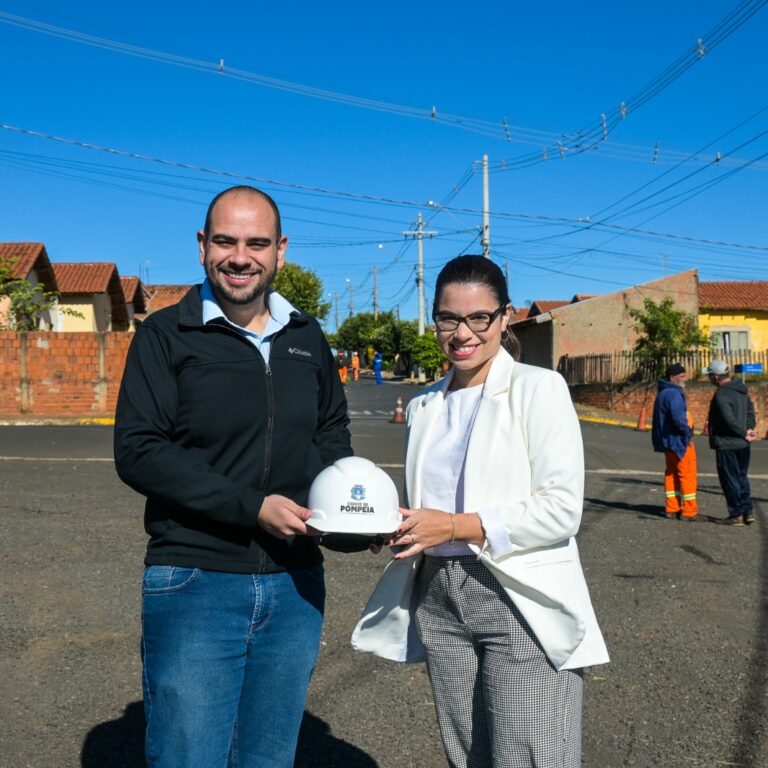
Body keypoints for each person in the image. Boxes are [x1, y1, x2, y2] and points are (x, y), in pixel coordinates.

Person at [113, 185, 352, 768]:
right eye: (225, 240)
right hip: (195, 579)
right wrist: (253, 507)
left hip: (295, 586)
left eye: (256, 243)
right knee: (187, 757)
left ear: (280, 251)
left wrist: (344, 516)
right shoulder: (166, 335)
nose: (240, 256)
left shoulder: (306, 337)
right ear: (202, 246)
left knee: (268, 759)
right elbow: (139, 450)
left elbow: (331, 440)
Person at [354, 255, 608, 768]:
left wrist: (453, 525)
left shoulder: (540, 389)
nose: (462, 333)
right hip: (439, 591)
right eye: (449, 318)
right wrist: (398, 526)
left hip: (516, 591)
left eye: (478, 318)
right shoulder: (425, 404)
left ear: (504, 316)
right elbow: (430, 503)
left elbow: (561, 509)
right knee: (468, 752)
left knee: (533, 753)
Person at [706, 359, 757, 526]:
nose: (709, 379)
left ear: (715, 377)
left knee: (730, 479)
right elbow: (750, 412)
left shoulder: (721, 394)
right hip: (743, 443)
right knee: (742, 477)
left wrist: (743, 432)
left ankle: (736, 514)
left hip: (727, 443)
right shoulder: (741, 390)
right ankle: (747, 511)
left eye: (710, 376)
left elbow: (728, 420)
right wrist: (749, 429)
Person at [651, 362, 698, 520]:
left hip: (667, 442)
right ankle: (689, 511)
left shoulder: (662, 393)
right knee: (687, 474)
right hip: (679, 442)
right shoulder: (674, 394)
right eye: (682, 376)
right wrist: (687, 435)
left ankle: (672, 508)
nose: (685, 379)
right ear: (672, 378)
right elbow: (678, 418)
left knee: (671, 473)